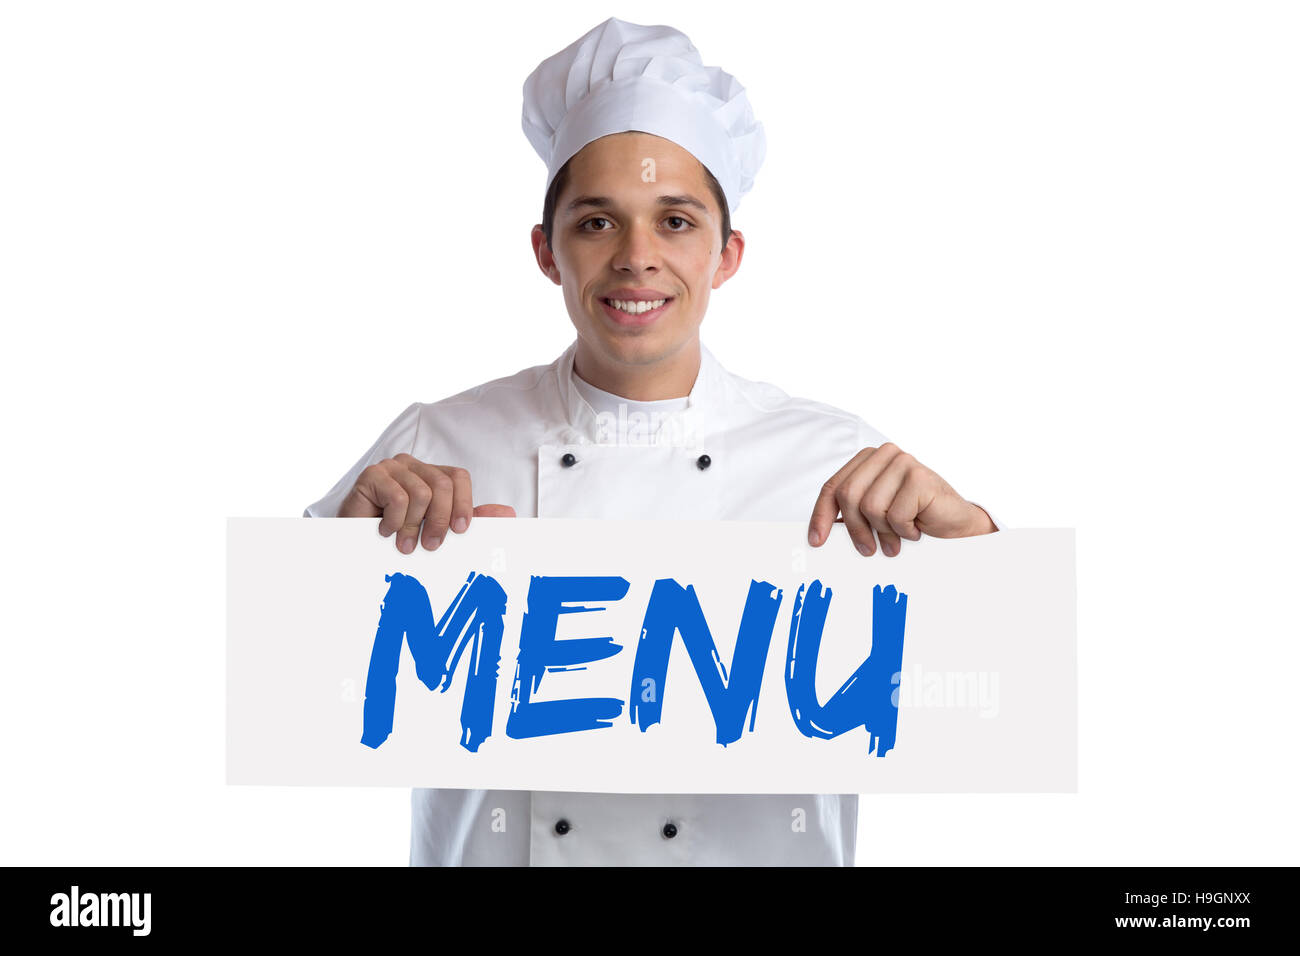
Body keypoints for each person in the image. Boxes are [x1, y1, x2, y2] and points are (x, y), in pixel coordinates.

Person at [304, 17, 1002, 866]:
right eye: (597, 223)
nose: (637, 258)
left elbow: (998, 709)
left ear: (727, 253)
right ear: (546, 251)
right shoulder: (436, 442)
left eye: (675, 222)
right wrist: (341, 546)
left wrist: (980, 556)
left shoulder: (836, 462)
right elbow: (292, 690)